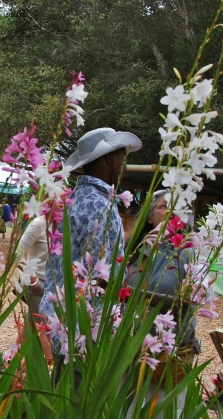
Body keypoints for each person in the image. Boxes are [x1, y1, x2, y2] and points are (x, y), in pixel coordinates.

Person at [39, 127, 141, 350]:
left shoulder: (75, 198)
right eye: (121, 155)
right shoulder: (100, 205)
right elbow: (104, 275)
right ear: (108, 159)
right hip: (83, 331)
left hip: (59, 319)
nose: (124, 163)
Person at [126, 190, 199, 415]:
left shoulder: (189, 254)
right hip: (129, 355)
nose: (172, 212)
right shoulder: (133, 251)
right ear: (149, 218)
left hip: (167, 358)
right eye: (164, 206)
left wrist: (133, 294)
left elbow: (187, 304)